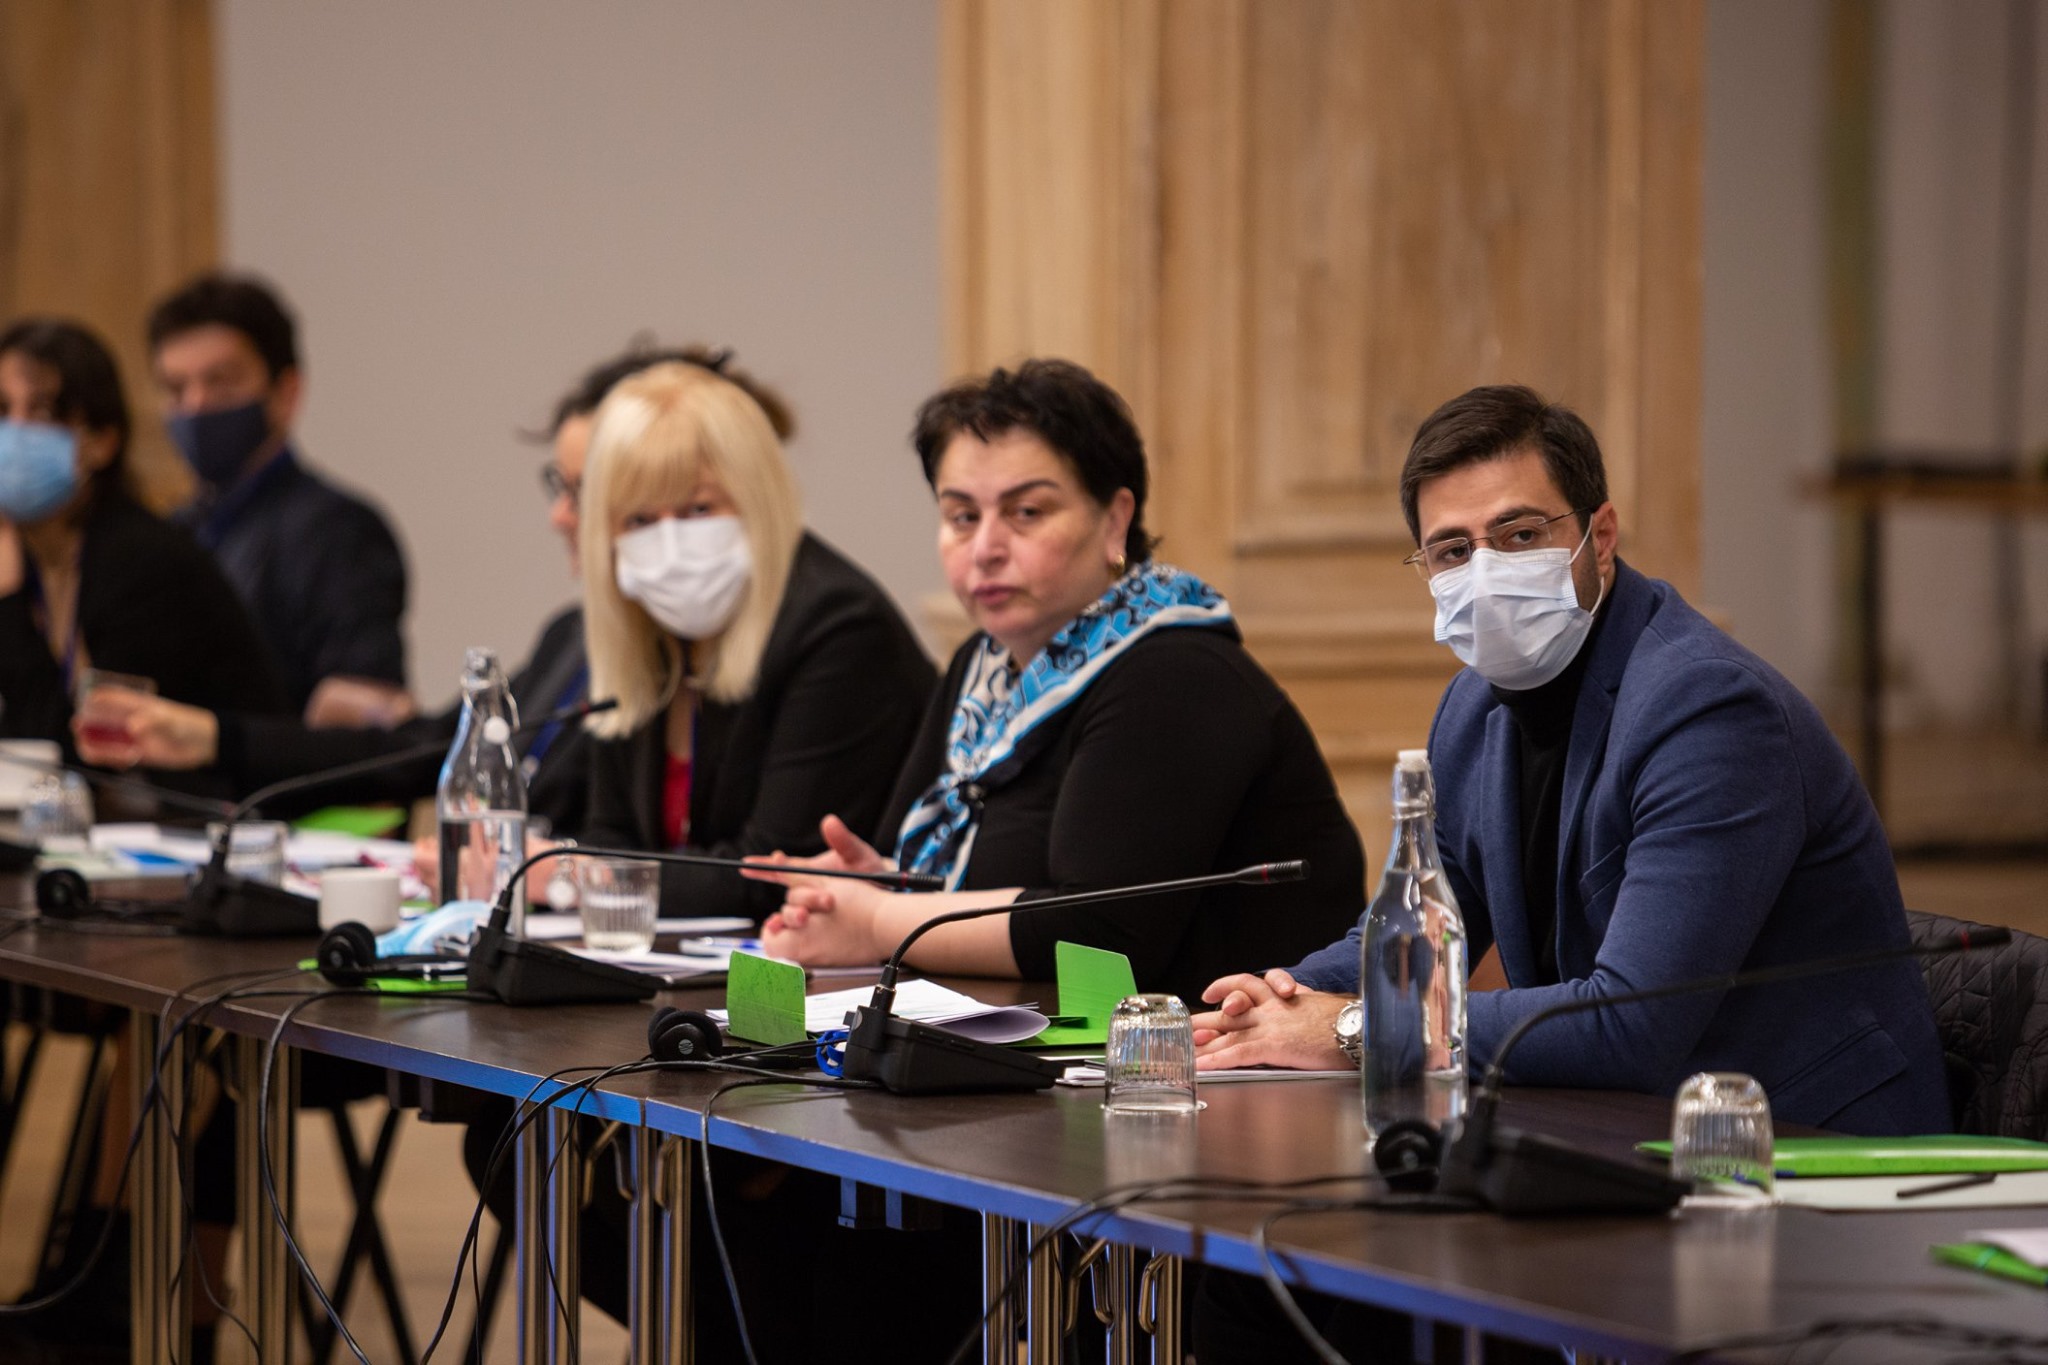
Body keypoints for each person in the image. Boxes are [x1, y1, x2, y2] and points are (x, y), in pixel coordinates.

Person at [1190, 384, 1948, 1135]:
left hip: (1810, 1149)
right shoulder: (1471, 710)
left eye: (1520, 535)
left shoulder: (1711, 710)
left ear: (1601, 536)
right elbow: (1407, 937)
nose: (1486, 571)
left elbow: (1630, 1022)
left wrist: (1355, 1027)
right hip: (1620, 1131)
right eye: (1452, 551)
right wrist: (1266, 1005)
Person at [757, 359, 1365, 1004]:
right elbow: (1001, 880)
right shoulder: (983, 667)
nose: (985, 547)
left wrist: (879, 920)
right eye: (962, 517)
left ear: (1114, 521)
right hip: (1034, 1039)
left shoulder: (1175, 674)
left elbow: (1099, 932)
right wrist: (886, 880)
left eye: (1026, 512)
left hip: (1215, 1051)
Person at [73, 342, 767, 836]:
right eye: (560, 487)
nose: (561, 516)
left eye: (585, 491)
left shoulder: (738, 649)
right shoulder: (573, 637)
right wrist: (213, 738)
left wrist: (558, 872)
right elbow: (429, 749)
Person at [572, 355, 936, 919]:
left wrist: (572, 878)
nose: (670, 546)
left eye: (698, 508)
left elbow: (772, 875)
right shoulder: (652, 638)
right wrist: (592, 873)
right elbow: (609, 835)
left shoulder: (839, 626)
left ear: (756, 499)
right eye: (639, 520)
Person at [0, 318, 288, 768]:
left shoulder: (141, 561)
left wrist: (6, 605)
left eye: (41, 412)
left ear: (102, 442)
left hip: (234, 802)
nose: (14, 432)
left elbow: (84, 758)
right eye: (2, 410)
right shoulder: (28, 555)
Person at [148, 271, 412, 725]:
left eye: (221, 382)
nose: (195, 406)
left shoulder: (338, 531)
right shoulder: (173, 532)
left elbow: (366, 722)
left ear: (285, 394)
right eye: (176, 389)